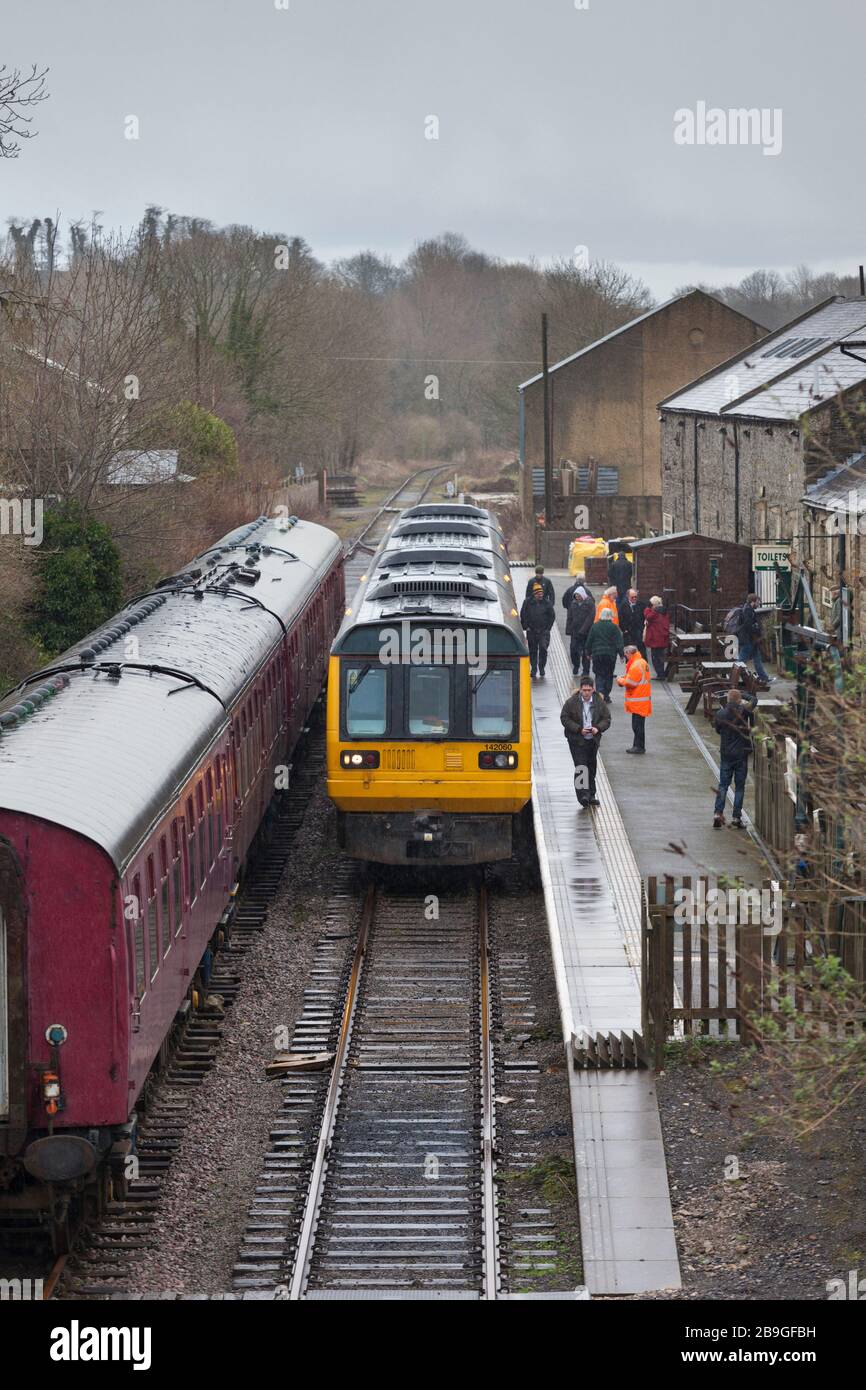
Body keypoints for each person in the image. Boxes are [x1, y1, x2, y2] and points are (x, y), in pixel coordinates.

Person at [560, 676, 611, 807]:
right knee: (581, 767)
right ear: (580, 690)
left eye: (589, 690)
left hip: (592, 741)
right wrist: (578, 729)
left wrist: (597, 728)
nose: (586, 693)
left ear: (593, 689)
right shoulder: (571, 702)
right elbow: (564, 718)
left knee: (591, 767)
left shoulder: (599, 702)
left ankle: (591, 794)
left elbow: (607, 719)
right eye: (584, 690)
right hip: (577, 740)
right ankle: (582, 795)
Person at [712, 687, 757, 828]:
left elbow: (718, 730)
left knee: (723, 785)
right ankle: (736, 817)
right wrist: (742, 694)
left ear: (728, 699)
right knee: (739, 787)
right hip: (741, 753)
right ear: (738, 700)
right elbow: (754, 700)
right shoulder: (744, 711)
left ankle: (718, 813)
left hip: (726, 753)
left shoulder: (720, 714)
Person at [617, 644, 652, 753]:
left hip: (638, 701)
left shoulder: (636, 665)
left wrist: (620, 680)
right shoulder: (642, 662)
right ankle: (637, 746)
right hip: (642, 699)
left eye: (626, 654)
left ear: (629, 653)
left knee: (637, 726)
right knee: (638, 725)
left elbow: (630, 683)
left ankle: (639, 747)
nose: (625, 656)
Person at [585, 608, 624, 702]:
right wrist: (621, 654)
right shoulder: (614, 627)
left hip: (597, 654)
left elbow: (589, 640)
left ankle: (599, 695)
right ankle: (606, 695)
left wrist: (588, 652)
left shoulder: (595, 626)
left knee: (599, 674)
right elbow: (619, 642)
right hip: (610, 655)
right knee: (608, 675)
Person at [736, 594, 775, 684]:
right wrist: (757, 630)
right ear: (752, 602)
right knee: (741, 660)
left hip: (752, 640)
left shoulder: (749, 609)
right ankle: (733, 678)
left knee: (757, 659)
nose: (759, 603)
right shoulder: (748, 610)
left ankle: (764, 678)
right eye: (757, 602)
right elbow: (748, 626)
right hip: (747, 640)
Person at [520, 582, 555, 678]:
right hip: (531, 630)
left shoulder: (547, 603)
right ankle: (534, 668)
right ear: (534, 594)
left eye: (541, 593)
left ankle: (542, 667)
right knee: (532, 650)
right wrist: (526, 626)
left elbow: (552, 616)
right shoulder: (527, 602)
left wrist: (548, 628)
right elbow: (523, 614)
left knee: (543, 648)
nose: (541, 595)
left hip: (543, 631)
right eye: (538, 594)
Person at [565, 581, 596, 678]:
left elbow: (590, 618)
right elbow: (569, 617)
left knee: (586, 652)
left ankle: (585, 670)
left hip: (586, 633)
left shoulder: (590, 604)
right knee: (573, 650)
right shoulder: (573, 604)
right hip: (575, 631)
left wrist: (583, 630)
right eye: (576, 596)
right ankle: (576, 665)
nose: (577, 597)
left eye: (578, 595)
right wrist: (568, 629)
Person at [643, 595, 670, 679]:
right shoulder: (664, 612)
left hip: (656, 638)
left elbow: (647, 616)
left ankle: (660, 674)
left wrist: (648, 608)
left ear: (654, 605)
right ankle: (661, 673)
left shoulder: (654, 613)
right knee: (660, 656)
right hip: (662, 637)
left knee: (655, 657)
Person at [618, 587, 645, 654]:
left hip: (638, 631)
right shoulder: (623, 606)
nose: (634, 599)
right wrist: (624, 629)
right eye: (632, 597)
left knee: (642, 652)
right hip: (628, 632)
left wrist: (642, 628)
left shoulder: (641, 605)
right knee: (629, 653)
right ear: (628, 596)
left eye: (635, 597)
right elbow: (620, 618)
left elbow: (644, 617)